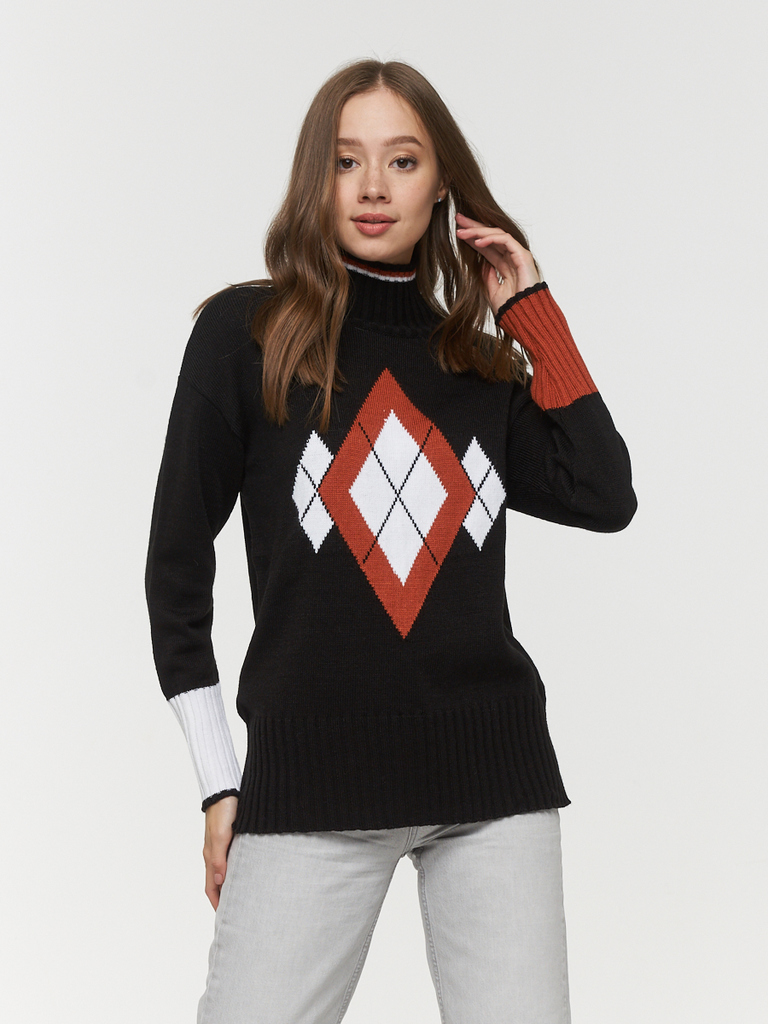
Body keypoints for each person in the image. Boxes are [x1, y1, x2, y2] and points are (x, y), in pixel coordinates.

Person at [145, 58, 636, 1024]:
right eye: (347, 161)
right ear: (315, 176)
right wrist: (218, 780)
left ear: (443, 184)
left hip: (491, 782)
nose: (373, 187)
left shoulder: (477, 364)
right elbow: (175, 565)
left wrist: (530, 310)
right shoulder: (249, 336)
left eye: (403, 161)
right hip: (309, 778)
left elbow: (604, 491)